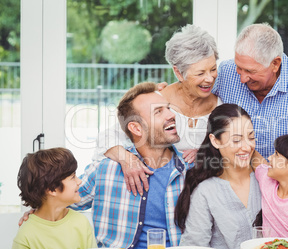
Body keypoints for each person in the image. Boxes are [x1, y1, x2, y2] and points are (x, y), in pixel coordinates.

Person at [175, 104, 288, 249]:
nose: (247, 146)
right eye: (236, 140)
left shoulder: (271, 179)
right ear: (215, 141)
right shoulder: (206, 191)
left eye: (251, 137)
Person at [94, 24, 222, 195]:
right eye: (200, 73)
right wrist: (127, 159)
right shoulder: (157, 102)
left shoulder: (221, 107)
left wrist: (208, 153)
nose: (209, 78)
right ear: (178, 72)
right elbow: (107, 139)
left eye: (213, 69)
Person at [69, 82, 192, 249]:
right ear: (136, 128)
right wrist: (37, 211)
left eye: (168, 108)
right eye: (158, 111)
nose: (171, 115)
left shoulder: (191, 170)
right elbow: (65, 201)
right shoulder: (105, 169)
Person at [212, 23, 288, 192]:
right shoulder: (225, 72)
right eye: (239, 68)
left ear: (275, 64)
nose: (242, 78)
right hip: (232, 183)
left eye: (250, 71)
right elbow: (193, 96)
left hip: (283, 188)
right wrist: (163, 92)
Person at [12, 148, 96, 249]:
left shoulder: (81, 223)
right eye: (73, 177)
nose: (79, 181)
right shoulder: (25, 236)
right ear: (52, 189)